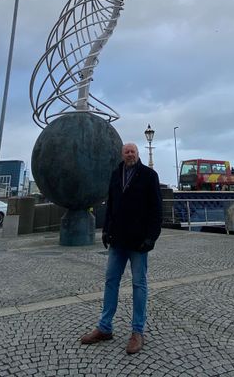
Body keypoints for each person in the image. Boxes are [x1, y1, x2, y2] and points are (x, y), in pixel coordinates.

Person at [80, 142, 162, 355]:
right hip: (117, 241)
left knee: (139, 284)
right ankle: (105, 327)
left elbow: (156, 209)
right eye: (126, 151)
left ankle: (137, 332)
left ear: (138, 153)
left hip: (138, 242)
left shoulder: (148, 175)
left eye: (133, 151)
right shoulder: (116, 174)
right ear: (122, 154)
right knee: (110, 282)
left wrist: (151, 237)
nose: (129, 154)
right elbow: (111, 204)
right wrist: (106, 230)